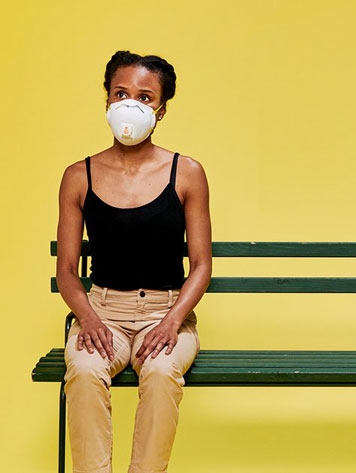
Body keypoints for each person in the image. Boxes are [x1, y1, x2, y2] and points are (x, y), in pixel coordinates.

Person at [55, 50, 211, 473]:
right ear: (106, 101)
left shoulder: (187, 172)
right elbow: (67, 271)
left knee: (160, 375)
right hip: (101, 313)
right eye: (121, 92)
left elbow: (201, 265)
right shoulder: (78, 176)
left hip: (166, 313)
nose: (131, 104)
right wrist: (87, 319)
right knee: (84, 373)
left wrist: (173, 321)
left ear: (160, 111)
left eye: (145, 97)